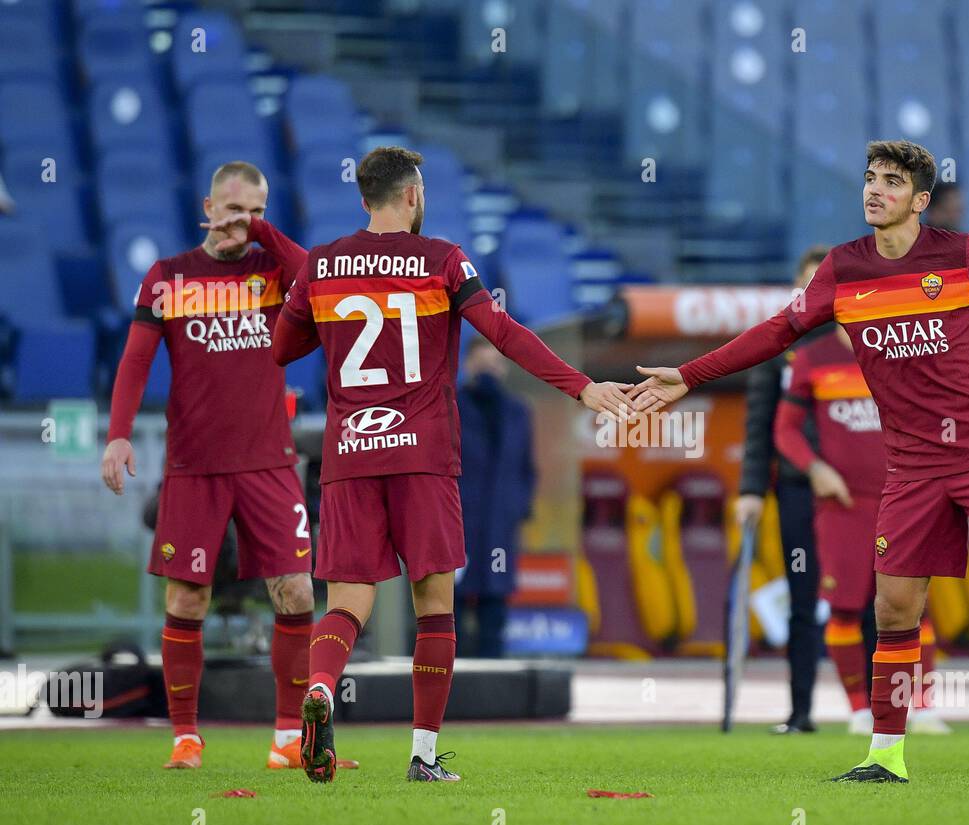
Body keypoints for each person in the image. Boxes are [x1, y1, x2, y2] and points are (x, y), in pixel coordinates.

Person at [631, 140, 969, 784]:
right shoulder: (843, 270)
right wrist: (690, 374)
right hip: (913, 467)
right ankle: (885, 755)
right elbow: (775, 332)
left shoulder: (962, 255)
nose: (874, 190)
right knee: (894, 610)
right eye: (870, 179)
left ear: (920, 201)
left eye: (891, 182)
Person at [270, 146, 628, 783]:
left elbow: (281, 348)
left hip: (350, 451)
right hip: (422, 451)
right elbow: (504, 333)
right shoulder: (442, 259)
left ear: (364, 199)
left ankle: (322, 688)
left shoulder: (322, 264)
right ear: (412, 197)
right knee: (434, 605)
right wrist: (582, 386)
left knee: (347, 598)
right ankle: (423, 756)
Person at [101, 161, 356, 773]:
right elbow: (136, 363)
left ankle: (289, 740)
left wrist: (263, 235)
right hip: (193, 465)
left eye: (257, 211)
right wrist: (116, 437)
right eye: (234, 209)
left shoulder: (273, 271)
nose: (245, 221)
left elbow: (317, 278)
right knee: (188, 598)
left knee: (295, 591)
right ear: (207, 208)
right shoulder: (167, 278)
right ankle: (185, 737)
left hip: (270, 460)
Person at [773, 322, 949, 736]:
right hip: (843, 504)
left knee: (913, 603)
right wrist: (815, 469)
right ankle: (858, 710)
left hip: (904, 497)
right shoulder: (812, 358)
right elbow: (785, 429)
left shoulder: (904, 349)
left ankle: (921, 707)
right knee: (845, 606)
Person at [734, 245, 833, 734]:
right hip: (797, 488)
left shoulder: (866, 337)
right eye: (809, 283)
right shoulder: (780, 341)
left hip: (861, 490)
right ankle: (801, 713)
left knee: (878, 599)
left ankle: (881, 715)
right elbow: (760, 425)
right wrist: (751, 489)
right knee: (802, 600)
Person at [455, 336, 537, 658]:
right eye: (483, 361)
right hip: (459, 525)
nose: (490, 368)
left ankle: (492, 687)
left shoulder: (518, 412)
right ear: (467, 364)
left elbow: (525, 468)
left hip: (500, 527)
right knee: (449, 609)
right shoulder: (452, 406)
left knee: (494, 610)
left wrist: (516, 508)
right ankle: (449, 687)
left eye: (496, 362)